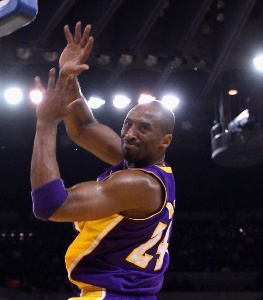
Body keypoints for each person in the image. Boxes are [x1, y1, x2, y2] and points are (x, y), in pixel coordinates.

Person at [30, 22, 176, 299]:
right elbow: (83, 127)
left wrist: (46, 123)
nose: (130, 134)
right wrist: (68, 75)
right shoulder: (143, 165)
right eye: (128, 124)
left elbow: (49, 204)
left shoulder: (138, 184)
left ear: (164, 141)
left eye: (143, 128)